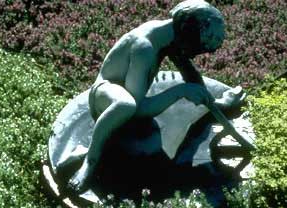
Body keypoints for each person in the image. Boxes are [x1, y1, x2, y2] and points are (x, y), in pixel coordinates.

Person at [61, 0, 229, 193]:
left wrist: (215, 103)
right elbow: (137, 108)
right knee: (126, 105)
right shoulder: (145, 48)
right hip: (105, 101)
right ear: (187, 36)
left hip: (131, 107)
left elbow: (189, 71)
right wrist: (181, 91)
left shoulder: (168, 33)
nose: (193, 55)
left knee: (145, 146)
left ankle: (108, 148)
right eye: (195, 48)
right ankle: (90, 160)